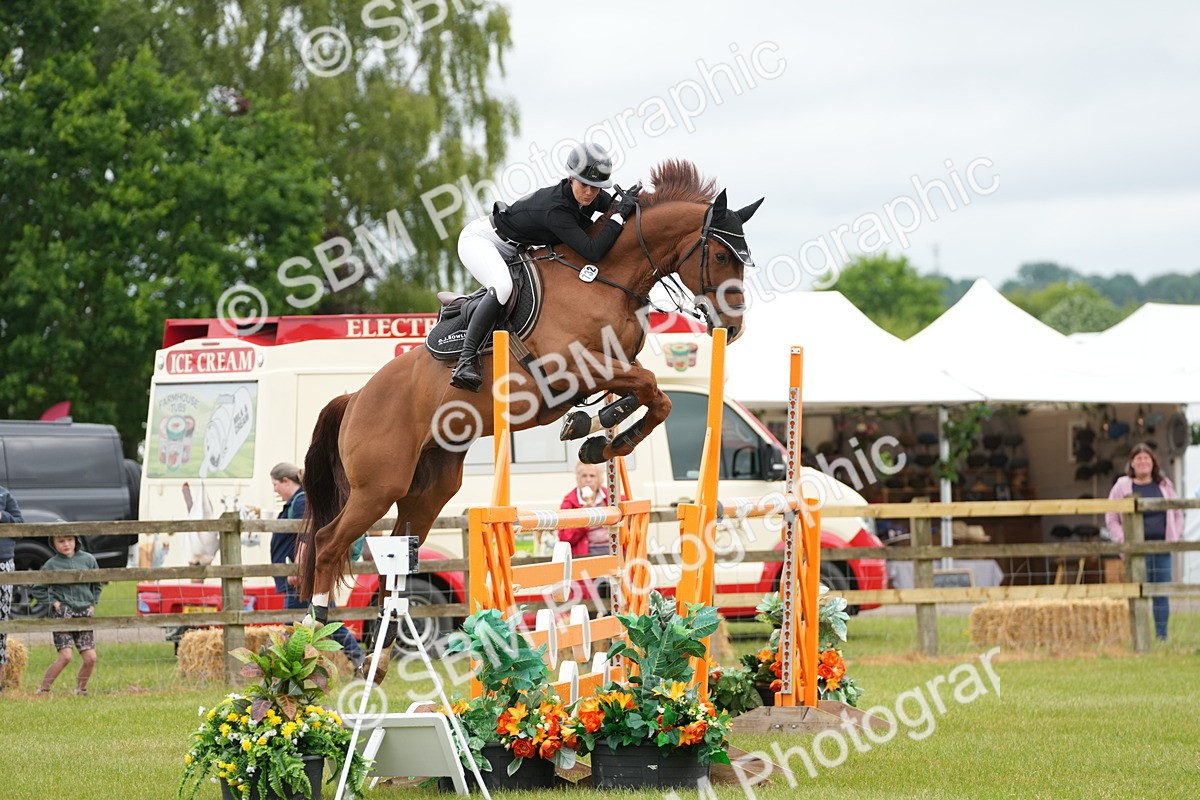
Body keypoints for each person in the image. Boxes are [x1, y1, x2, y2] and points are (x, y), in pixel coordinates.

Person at [450, 142, 639, 392]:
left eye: (596, 188)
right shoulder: (556, 209)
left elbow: (617, 206)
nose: (590, 193)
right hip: (483, 241)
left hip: (517, 248)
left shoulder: (588, 196)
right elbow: (593, 250)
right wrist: (617, 217)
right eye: (584, 185)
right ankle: (465, 360)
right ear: (571, 178)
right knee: (503, 287)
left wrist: (633, 203)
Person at [268, 463, 365, 671]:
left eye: (275, 484)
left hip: (300, 575)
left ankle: (288, 670)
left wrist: (299, 568)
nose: (274, 489)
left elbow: (306, 535)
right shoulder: (299, 500)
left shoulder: (301, 501)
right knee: (326, 620)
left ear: (286, 481)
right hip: (302, 573)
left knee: (294, 624)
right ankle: (359, 659)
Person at [1105, 442, 1183, 641]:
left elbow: (1177, 512)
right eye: (1138, 458)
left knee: (1161, 593)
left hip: (1161, 549)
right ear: (1131, 463)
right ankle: (1138, 636)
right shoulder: (1122, 486)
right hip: (1136, 550)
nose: (1143, 462)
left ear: (1153, 462)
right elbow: (1111, 516)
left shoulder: (1164, 484)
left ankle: (1161, 636)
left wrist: (1174, 536)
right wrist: (1123, 539)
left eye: (1146, 458)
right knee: (1136, 592)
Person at [34, 534, 101, 695]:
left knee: (90, 657)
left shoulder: (88, 560)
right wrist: (55, 603)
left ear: (76, 540)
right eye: (61, 541)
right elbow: (38, 588)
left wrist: (93, 603)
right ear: (53, 543)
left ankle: (81, 689)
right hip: (63, 614)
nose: (66, 544)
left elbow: (97, 583)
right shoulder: (51, 565)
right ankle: (43, 689)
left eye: (69, 540)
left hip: (84, 613)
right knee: (66, 656)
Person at [559, 462, 613, 557]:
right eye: (584, 476)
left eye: (592, 476)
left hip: (611, 547)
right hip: (587, 551)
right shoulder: (569, 502)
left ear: (599, 479)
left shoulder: (611, 497)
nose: (588, 480)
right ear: (578, 479)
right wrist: (583, 518)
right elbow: (565, 538)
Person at [0, 484, 22, 691]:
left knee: (1, 621)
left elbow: (20, 526)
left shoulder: (4, 494)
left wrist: (3, 516)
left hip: (3, 562)